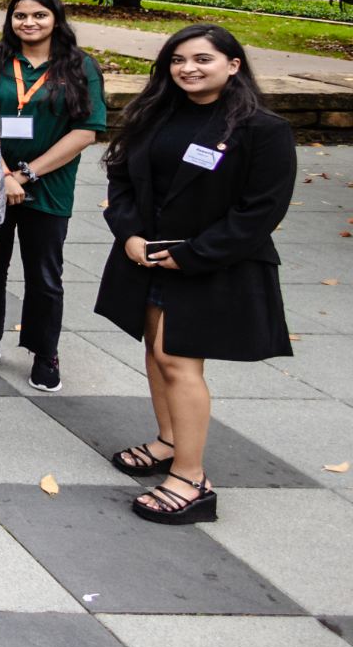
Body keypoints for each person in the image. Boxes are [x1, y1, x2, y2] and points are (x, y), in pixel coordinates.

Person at [95, 26, 295, 525]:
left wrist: (194, 255)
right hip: (148, 255)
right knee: (156, 351)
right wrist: (129, 235)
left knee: (178, 360)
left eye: (202, 59)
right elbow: (120, 180)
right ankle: (168, 440)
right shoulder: (153, 114)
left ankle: (191, 478)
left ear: (233, 64)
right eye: (178, 59)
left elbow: (261, 212)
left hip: (211, 263)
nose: (188, 68)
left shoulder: (261, 129)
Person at [0, 0, 107, 391]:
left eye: (39, 15)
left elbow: (86, 131)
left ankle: (45, 352)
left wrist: (24, 175)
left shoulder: (80, 66)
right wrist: (2, 173)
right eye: (20, 15)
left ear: (56, 19)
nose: (29, 23)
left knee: (45, 275)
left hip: (50, 187)